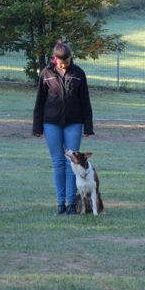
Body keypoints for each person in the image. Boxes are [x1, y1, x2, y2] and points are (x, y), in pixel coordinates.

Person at [33, 40, 94, 215]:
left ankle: (71, 204)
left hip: (74, 123)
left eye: (67, 62)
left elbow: (85, 101)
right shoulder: (46, 73)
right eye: (61, 63)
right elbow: (40, 101)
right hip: (51, 123)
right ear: (54, 59)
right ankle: (60, 204)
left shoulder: (79, 73)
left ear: (70, 58)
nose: (64, 65)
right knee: (58, 162)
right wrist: (37, 127)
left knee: (71, 164)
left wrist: (88, 127)